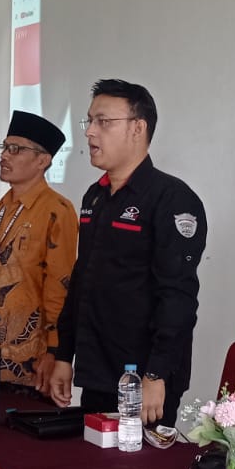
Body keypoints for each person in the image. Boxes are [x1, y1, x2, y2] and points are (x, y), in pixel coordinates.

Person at [48, 80, 205, 425]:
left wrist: (156, 374)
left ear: (137, 128)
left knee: (135, 461)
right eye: (89, 121)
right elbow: (82, 280)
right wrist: (63, 355)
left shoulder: (171, 199)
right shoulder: (95, 197)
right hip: (97, 370)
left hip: (143, 378)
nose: (90, 132)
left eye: (103, 122)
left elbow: (177, 296)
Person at [0, 112, 78, 391]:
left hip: (28, 357)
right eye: (4, 147)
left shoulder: (57, 210)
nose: (5, 156)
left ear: (43, 160)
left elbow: (60, 286)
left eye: (16, 149)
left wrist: (54, 351)